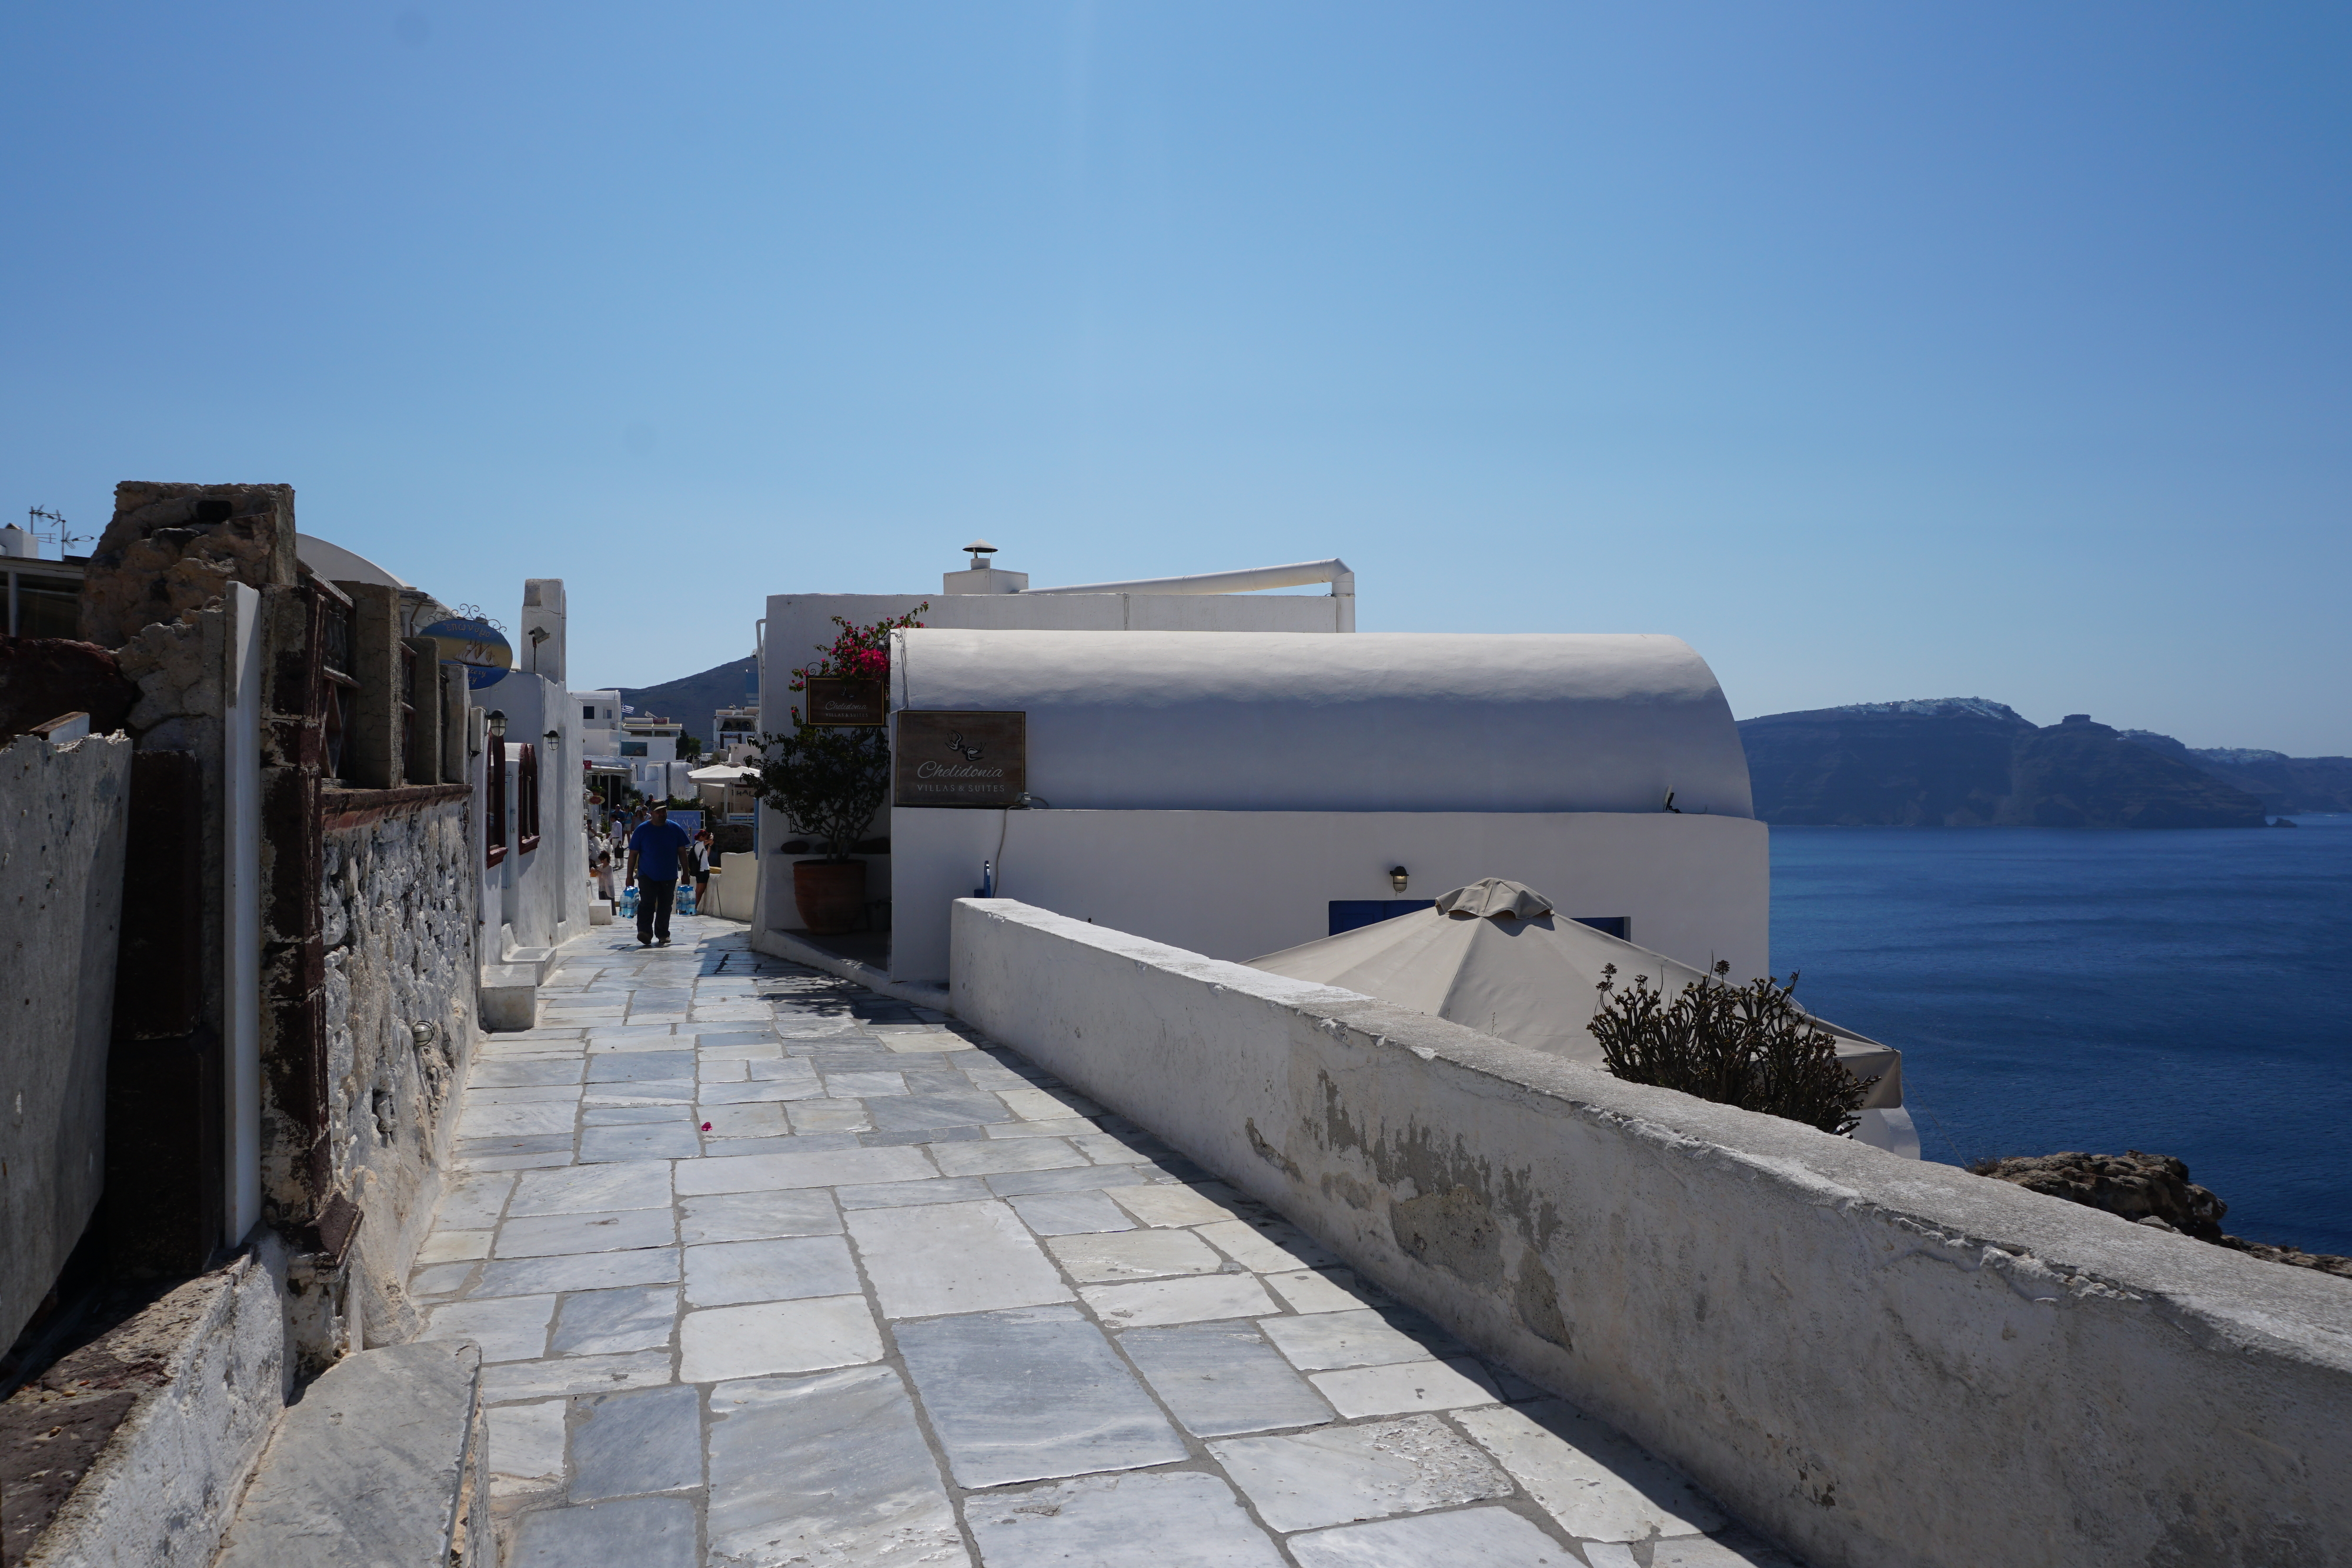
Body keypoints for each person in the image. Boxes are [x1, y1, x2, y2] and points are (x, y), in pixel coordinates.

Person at [626, 804, 695, 946]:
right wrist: (629, 876)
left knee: (665, 906)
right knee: (647, 904)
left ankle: (663, 934)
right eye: (659, 812)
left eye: (664, 811)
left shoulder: (675, 828)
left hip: (669, 875)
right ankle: (645, 932)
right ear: (652, 813)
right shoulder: (642, 830)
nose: (662, 814)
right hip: (646, 874)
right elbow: (633, 854)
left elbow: (682, 852)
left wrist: (685, 874)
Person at [688, 829, 714, 912]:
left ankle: (693, 908)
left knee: (698, 890)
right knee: (700, 891)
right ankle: (694, 908)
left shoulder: (699, 846)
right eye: (705, 837)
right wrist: (712, 835)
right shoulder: (699, 844)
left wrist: (709, 846)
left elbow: (707, 855)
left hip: (701, 870)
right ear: (701, 837)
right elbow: (711, 839)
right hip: (703, 870)